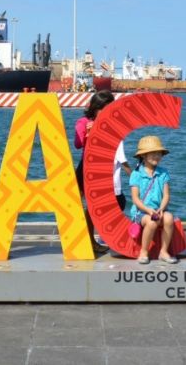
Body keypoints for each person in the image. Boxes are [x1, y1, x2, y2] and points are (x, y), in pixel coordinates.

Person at [74, 90, 116, 253]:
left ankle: (91, 240)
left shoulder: (112, 123)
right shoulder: (83, 121)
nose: (106, 112)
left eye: (109, 108)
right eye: (103, 109)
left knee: (95, 208)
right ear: (95, 108)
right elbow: (77, 144)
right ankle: (81, 240)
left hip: (104, 169)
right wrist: (87, 133)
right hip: (86, 167)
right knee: (77, 204)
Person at [129, 135, 178, 265]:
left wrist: (161, 208)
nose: (156, 156)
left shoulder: (163, 173)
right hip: (141, 212)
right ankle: (144, 252)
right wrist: (147, 210)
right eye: (153, 153)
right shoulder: (136, 174)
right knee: (152, 222)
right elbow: (135, 198)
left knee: (168, 218)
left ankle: (163, 251)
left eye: (158, 153)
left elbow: (166, 195)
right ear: (143, 156)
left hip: (159, 209)